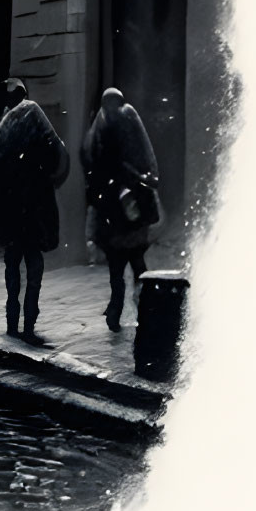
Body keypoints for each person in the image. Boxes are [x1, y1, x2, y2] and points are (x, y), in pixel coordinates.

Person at [0, 78, 71, 344]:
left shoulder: (5, 126)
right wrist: (47, 181)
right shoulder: (37, 120)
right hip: (35, 207)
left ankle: (12, 320)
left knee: (13, 263)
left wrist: (4, 188)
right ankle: (29, 321)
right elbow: (58, 156)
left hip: (12, 207)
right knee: (33, 263)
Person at [81, 88, 161, 333]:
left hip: (117, 213)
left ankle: (118, 312)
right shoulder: (124, 124)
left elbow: (95, 167)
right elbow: (139, 164)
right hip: (127, 212)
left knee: (121, 269)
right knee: (135, 265)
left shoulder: (105, 130)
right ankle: (144, 311)